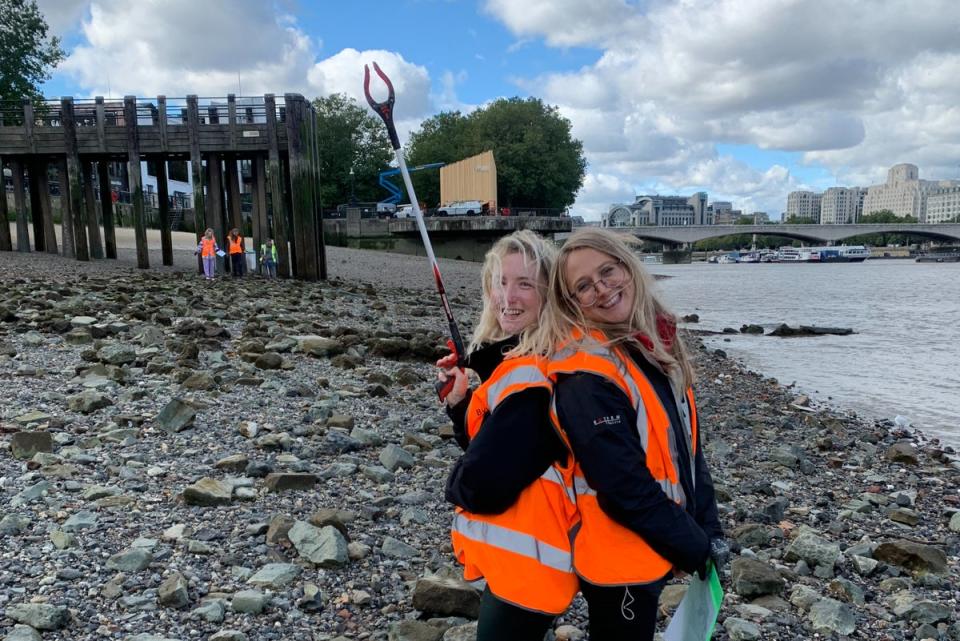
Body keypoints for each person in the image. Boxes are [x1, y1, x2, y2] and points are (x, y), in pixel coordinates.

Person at [538, 228, 727, 641]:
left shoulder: (652, 347)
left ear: (628, 266)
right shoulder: (585, 374)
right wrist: (695, 546)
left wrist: (710, 530)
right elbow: (623, 487)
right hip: (618, 561)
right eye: (583, 287)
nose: (602, 289)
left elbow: (688, 450)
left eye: (608, 272)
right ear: (571, 304)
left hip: (658, 542)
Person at [438, 230, 577, 641]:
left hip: (532, 566)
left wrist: (455, 482)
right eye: (501, 282)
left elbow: (485, 482)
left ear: (549, 294)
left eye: (525, 285)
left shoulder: (536, 376)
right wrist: (463, 403)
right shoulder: (522, 360)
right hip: (522, 559)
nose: (508, 297)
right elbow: (499, 448)